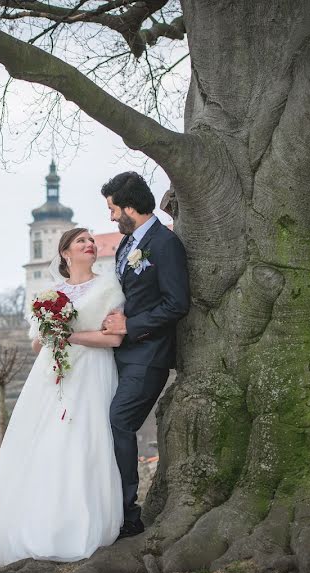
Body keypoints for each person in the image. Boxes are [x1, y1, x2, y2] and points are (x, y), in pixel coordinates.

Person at [0, 228, 127, 570]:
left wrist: (68, 334)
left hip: (91, 373)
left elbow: (114, 339)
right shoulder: (51, 293)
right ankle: (42, 524)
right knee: (47, 445)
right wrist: (51, 332)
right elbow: (37, 344)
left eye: (91, 240)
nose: (90, 244)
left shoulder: (109, 287)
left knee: (86, 442)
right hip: (51, 376)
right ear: (66, 253)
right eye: (81, 241)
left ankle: (84, 525)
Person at [101, 171, 190, 539]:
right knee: (105, 422)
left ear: (130, 208)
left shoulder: (165, 244)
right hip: (121, 354)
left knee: (120, 421)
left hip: (150, 354)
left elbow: (176, 303)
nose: (109, 217)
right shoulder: (126, 245)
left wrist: (130, 326)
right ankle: (108, 507)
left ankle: (129, 515)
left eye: (112, 209)